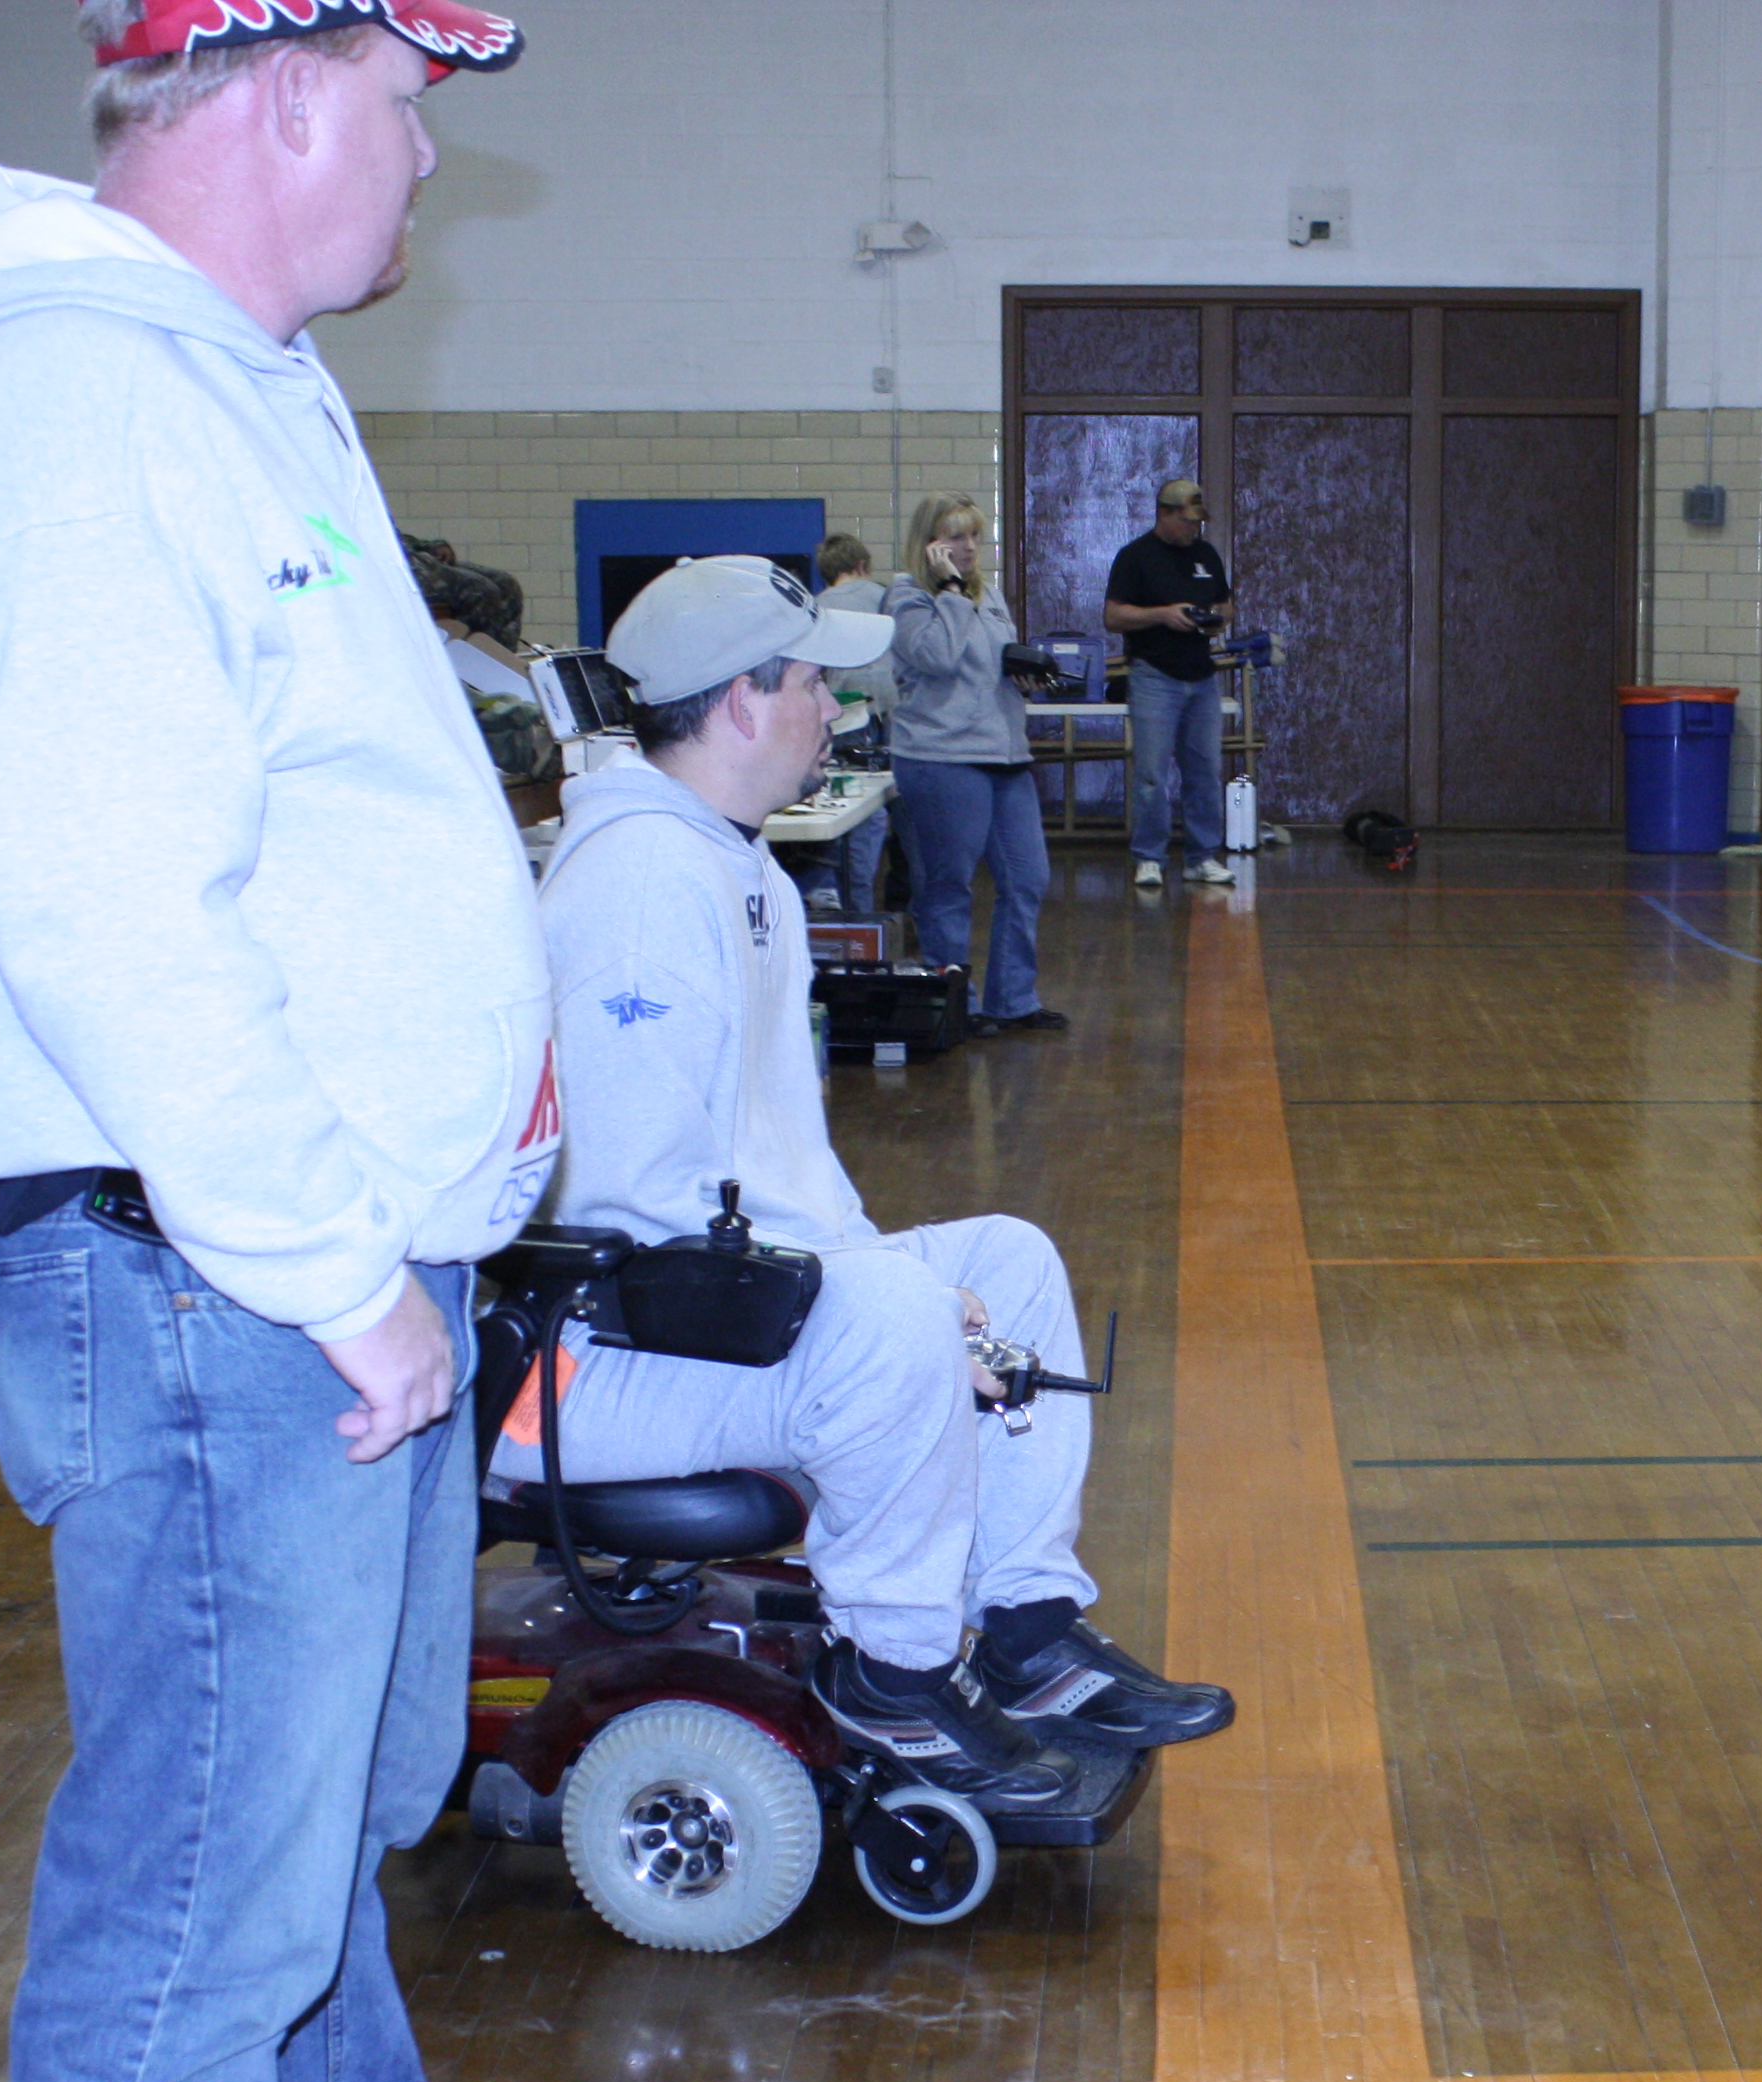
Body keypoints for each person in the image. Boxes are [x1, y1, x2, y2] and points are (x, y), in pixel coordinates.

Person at [0, 8, 627, 2082]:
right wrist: (327, 1267)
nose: (429, 158)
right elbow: (110, 911)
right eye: (411, 101)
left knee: (323, 1836)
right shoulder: (85, 409)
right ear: (283, 89)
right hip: (227, 1282)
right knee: (190, 1918)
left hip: (325, 1261)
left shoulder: (228, 384)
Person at [525, 553, 1234, 1792]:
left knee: (1007, 1260)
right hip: (596, 1355)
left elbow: (785, 1169)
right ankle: (894, 1675)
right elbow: (633, 1204)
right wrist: (883, 1307)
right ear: (743, 701)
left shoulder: (739, 866)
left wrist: (897, 1286)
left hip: (702, 1309)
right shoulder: (638, 885)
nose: (837, 709)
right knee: (897, 1315)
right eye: (814, 683)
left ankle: (1022, 1628)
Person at [883, 491, 1064, 1036]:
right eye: (955, 536)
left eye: (974, 535)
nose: (968, 547)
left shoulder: (988, 593)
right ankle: (954, 1002)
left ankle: (1013, 999)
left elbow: (988, 663)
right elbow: (936, 656)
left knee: (1027, 877)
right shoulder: (908, 597)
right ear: (929, 543)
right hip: (942, 757)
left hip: (1003, 752)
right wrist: (950, 591)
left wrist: (1022, 675)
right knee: (949, 885)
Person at [1100, 475, 1236, 891]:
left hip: (1201, 676)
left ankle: (1202, 857)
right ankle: (1149, 857)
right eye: (1187, 520)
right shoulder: (1135, 556)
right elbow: (1113, 616)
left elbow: (1226, 603)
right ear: (1164, 513)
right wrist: (1162, 614)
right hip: (1154, 676)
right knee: (1151, 774)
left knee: (1205, 771)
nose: (1194, 528)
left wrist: (1215, 619)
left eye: (1198, 521)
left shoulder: (1206, 554)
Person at [797, 530, 897, 916]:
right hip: (895, 720)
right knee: (885, 818)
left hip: (842, 723)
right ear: (862, 565)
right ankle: (880, 915)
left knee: (844, 813)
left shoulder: (813, 608)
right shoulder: (887, 597)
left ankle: (845, 909)